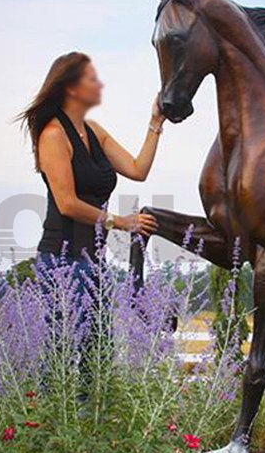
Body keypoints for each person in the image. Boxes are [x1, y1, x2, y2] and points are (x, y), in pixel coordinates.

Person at [18, 51, 161, 282]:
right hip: (62, 263)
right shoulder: (53, 135)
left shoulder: (93, 130)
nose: (100, 84)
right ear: (72, 88)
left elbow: (138, 170)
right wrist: (122, 222)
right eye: (92, 79)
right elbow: (67, 204)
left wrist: (156, 122)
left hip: (95, 261)